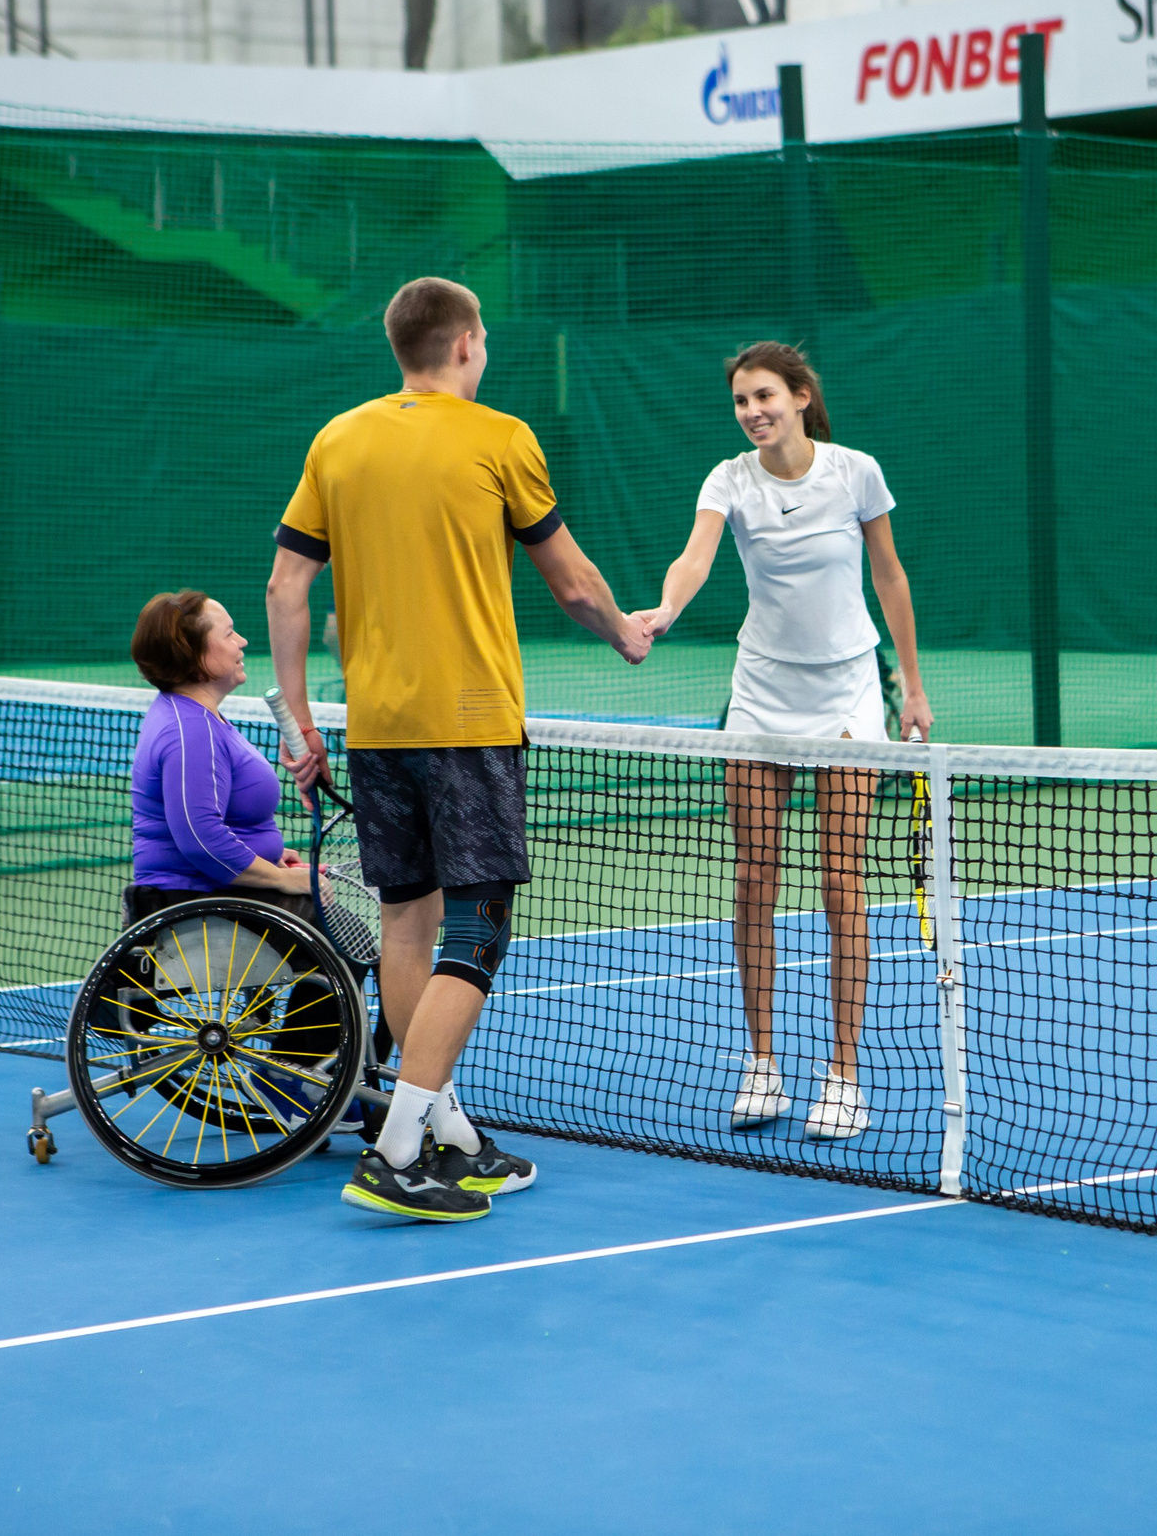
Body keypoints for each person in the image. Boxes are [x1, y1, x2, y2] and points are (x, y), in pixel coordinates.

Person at [268, 276, 651, 1222]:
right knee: (477, 929)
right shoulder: (501, 438)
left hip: (376, 726)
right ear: (467, 342)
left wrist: (299, 722)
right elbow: (571, 583)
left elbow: (285, 589)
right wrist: (624, 633)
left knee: (408, 922)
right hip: (471, 723)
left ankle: (445, 1133)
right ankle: (397, 1150)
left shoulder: (337, 439)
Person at [635, 342, 931, 1140]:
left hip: (847, 692)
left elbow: (890, 575)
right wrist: (666, 609)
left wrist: (911, 686)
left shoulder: (855, 472)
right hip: (762, 691)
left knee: (841, 881)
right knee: (755, 876)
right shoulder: (729, 479)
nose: (752, 411)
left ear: (801, 396)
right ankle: (762, 1064)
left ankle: (844, 1075)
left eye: (764, 395)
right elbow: (695, 558)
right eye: (741, 400)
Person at [126, 590, 335, 1126]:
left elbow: (222, 823)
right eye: (228, 633)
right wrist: (285, 883)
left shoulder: (197, 718)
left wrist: (274, 857)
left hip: (214, 890)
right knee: (342, 938)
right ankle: (294, 1075)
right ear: (196, 654)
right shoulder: (189, 729)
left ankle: (320, 1072)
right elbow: (199, 838)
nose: (242, 641)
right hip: (192, 902)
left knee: (344, 928)